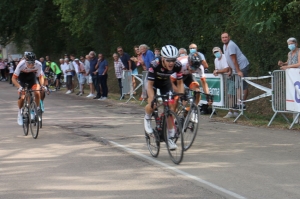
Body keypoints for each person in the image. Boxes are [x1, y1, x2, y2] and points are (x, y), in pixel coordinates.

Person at [144, 45, 184, 150]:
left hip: (165, 83)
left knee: (170, 108)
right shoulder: (155, 64)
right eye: (168, 60)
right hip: (152, 83)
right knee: (153, 104)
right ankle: (147, 117)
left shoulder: (178, 65)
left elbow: (180, 83)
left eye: (173, 60)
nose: (171, 63)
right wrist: (152, 99)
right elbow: (149, 85)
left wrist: (181, 95)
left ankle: (170, 138)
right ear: (162, 58)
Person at [12, 52, 45, 125]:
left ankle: (36, 109)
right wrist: (20, 87)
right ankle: (20, 112)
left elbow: (40, 76)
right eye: (29, 63)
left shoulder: (38, 64)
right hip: (22, 78)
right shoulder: (21, 64)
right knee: (23, 96)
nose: (31, 65)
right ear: (25, 61)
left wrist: (42, 85)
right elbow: (13, 79)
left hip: (31, 77)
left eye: (32, 63)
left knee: (37, 92)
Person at [170, 47, 201, 123]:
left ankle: (193, 111)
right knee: (177, 98)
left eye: (195, 68)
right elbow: (170, 81)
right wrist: (180, 93)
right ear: (188, 62)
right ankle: (173, 119)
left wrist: (207, 95)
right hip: (175, 77)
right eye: (192, 67)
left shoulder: (199, 66)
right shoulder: (180, 65)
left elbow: (204, 82)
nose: (193, 70)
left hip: (187, 76)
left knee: (197, 91)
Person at [221, 32, 250, 109]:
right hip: (236, 68)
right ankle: (238, 103)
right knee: (238, 86)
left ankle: (243, 103)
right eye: (223, 37)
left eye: (226, 37)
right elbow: (228, 59)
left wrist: (239, 71)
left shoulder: (231, 45)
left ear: (229, 37)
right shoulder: (224, 46)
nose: (224, 39)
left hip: (242, 66)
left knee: (243, 85)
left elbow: (234, 59)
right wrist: (230, 70)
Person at [211, 47, 238, 118]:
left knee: (231, 94)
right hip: (225, 79)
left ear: (220, 51)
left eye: (217, 51)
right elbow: (217, 69)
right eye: (214, 52)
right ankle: (233, 110)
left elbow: (226, 69)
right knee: (229, 94)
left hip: (231, 77)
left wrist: (217, 71)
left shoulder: (225, 57)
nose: (216, 53)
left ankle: (232, 111)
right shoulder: (216, 60)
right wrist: (215, 71)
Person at [278, 37, 300, 124]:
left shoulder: (299, 52)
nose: (290, 45)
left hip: (298, 76)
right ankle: (296, 119)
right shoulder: (289, 53)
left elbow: (298, 63)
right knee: (294, 97)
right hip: (292, 78)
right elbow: (289, 62)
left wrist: (287, 67)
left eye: (292, 43)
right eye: (289, 44)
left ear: (296, 44)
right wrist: (283, 63)